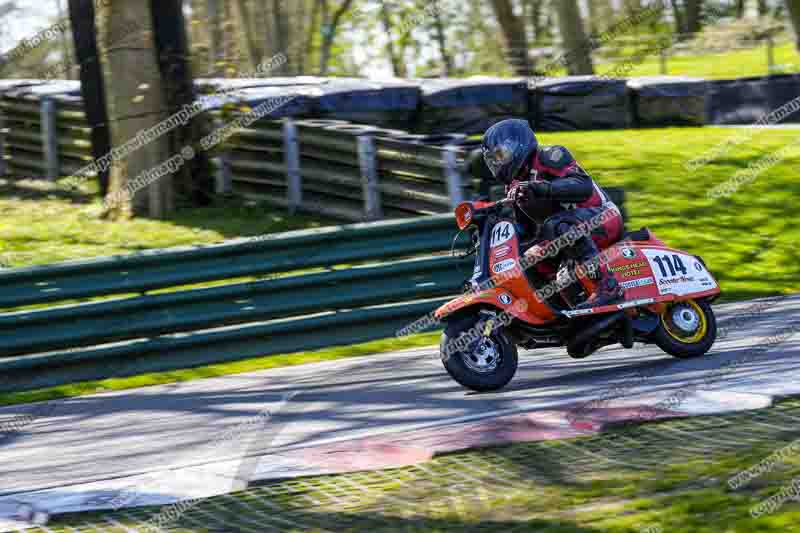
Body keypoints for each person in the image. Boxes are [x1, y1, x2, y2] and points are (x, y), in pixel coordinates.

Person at [481, 118, 624, 309]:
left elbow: (584, 186)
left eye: (501, 155)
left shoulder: (550, 155)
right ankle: (559, 312)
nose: (498, 163)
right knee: (528, 258)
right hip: (565, 232)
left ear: (517, 143)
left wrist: (543, 188)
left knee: (557, 224)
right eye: (494, 159)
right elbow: (528, 232)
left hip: (604, 218)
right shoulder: (514, 187)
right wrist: (493, 225)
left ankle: (608, 287)